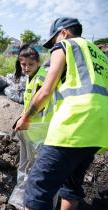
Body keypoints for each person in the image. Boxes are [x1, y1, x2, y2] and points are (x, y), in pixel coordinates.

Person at [15, 17, 108, 210]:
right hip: (100, 130)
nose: (53, 45)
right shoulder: (99, 55)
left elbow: (46, 91)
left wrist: (25, 117)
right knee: (71, 185)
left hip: (76, 123)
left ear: (64, 32)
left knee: (36, 189)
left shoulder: (66, 45)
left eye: (54, 40)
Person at [9, 45, 56, 209]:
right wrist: (21, 118)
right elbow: (29, 104)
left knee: (37, 172)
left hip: (41, 134)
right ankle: (20, 200)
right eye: (23, 64)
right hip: (29, 131)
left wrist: (25, 119)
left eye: (30, 64)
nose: (26, 68)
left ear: (38, 63)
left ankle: (34, 203)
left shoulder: (42, 78)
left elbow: (40, 105)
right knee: (23, 165)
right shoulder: (31, 77)